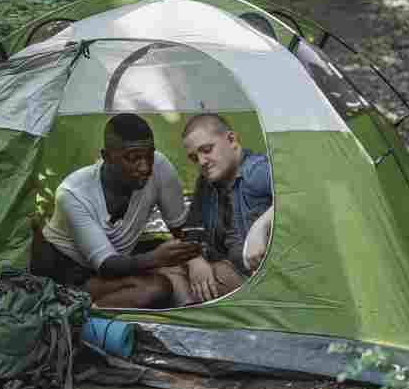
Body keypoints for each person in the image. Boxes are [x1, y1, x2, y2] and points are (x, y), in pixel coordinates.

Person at [29, 113, 201, 309]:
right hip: (73, 272)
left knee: (182, 266)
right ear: (106, 157)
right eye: (133, 158)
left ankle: (192, 313)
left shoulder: (159, 166)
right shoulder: (73, 193)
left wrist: (197, 260)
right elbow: (106, 265)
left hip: (121, 259)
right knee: (156, 288)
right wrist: (156, 259)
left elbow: (182, 228)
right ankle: (73, 314)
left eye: (149, 156)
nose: (145, 167)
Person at [176, 113, 273, 303]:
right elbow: (191, 231)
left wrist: (261, 225)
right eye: (194, 158)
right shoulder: (206, 183)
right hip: (228, 267)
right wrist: (195, 259)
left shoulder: (257, 171)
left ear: (231, 140)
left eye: (207, 150)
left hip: (264, 282)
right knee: (169, 272)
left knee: (182, 282)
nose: (202, 161)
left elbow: (307, 190)